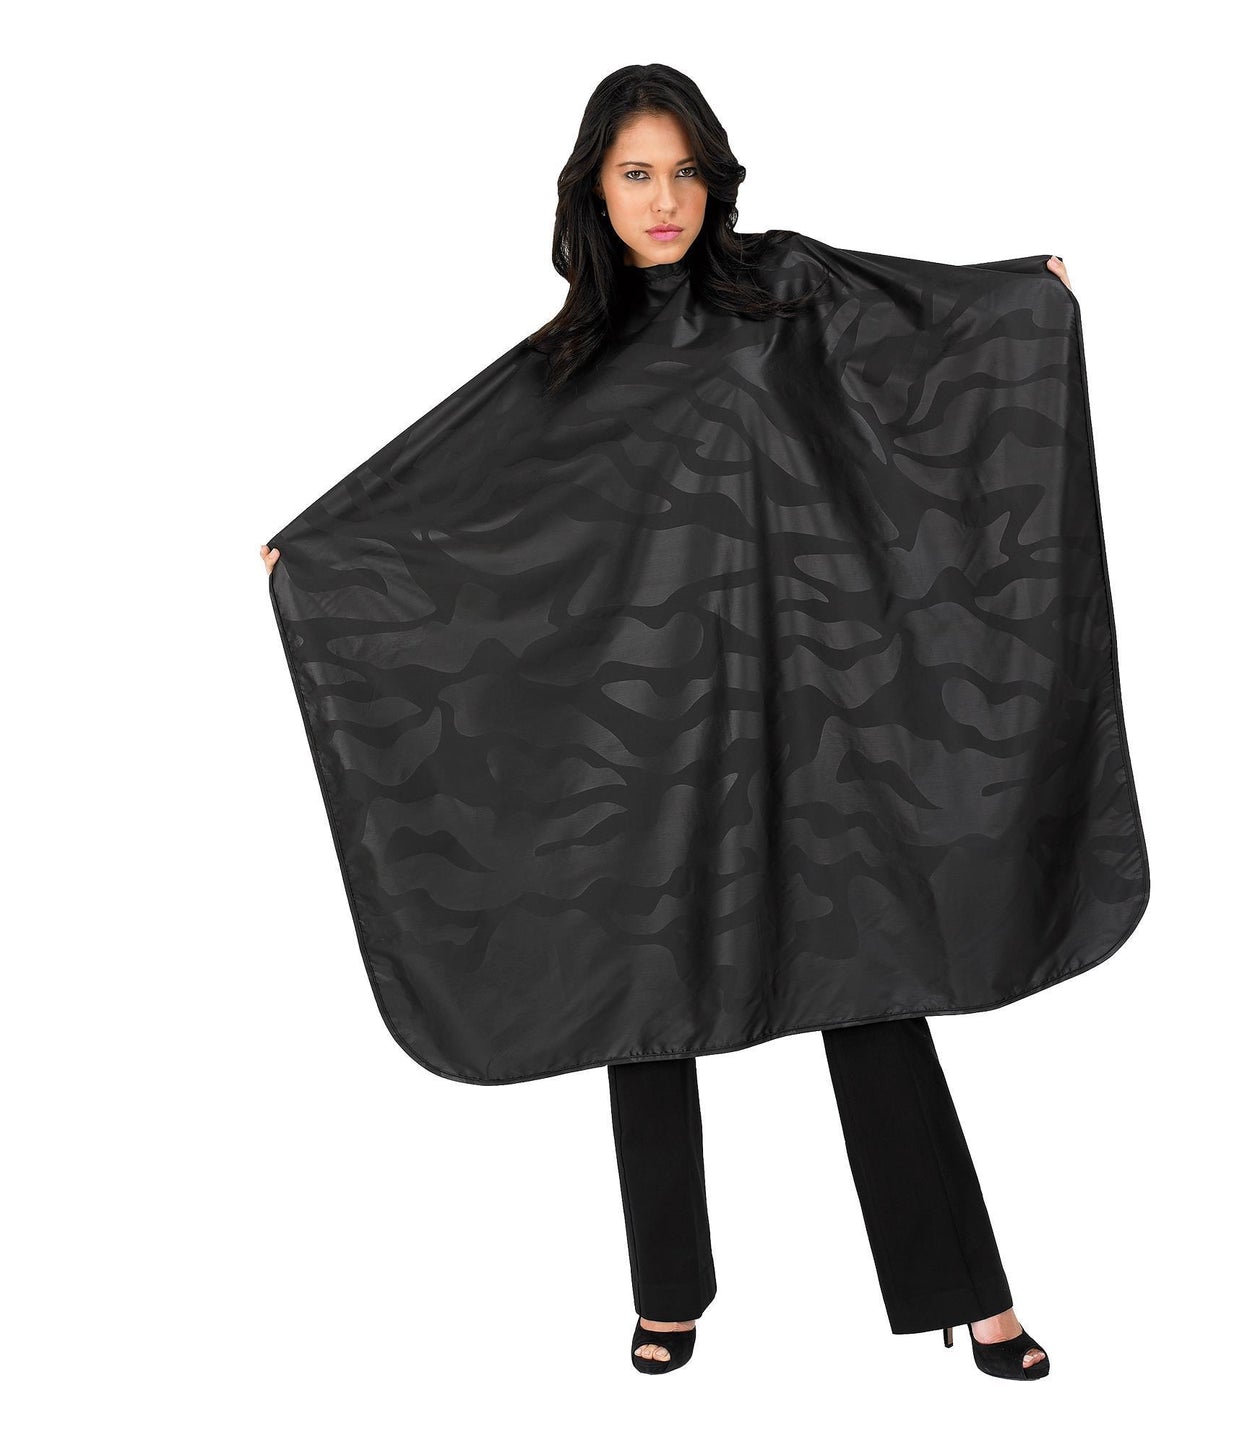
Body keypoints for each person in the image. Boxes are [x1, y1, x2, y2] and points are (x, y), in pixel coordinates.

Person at [262, 64, 1076, 1380]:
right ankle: (668, 1290)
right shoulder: (570, 363)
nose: (663, 199)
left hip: (812, 717)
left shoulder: (785, 291)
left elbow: (925, 336)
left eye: (684, 171)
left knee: (871, 981)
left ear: (715, 180)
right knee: (644, 995)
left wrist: (1021, 297)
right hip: (656, 726)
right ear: (596, 187)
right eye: (636, 173)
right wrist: (320, 553)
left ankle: (969, 1294)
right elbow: (456, 492)